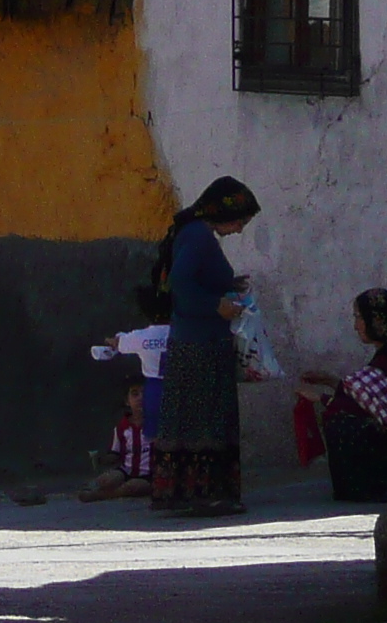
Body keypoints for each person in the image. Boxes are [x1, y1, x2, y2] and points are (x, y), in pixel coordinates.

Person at [150, 176, 258, 515]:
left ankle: (188, 493)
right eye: (240, 220)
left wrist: (228, 284)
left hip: (194, 341)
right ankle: (206, 493)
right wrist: (216, 305)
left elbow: (193, 278)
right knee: (207, 418)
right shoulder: (198, 236)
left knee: (194, 418)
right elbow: (181, 283)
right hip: (201, 345)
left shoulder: (195, 234)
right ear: (224, 212)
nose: (240, 229)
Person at [295, 286, 387, 502]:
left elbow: (362, 407)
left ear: (378, 321)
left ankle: (366, 484)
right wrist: (329, 381)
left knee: (339, 420)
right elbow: (369, 396)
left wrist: (321, 398)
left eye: (359, 317)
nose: (356, 326)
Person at [89, 287, 172, 446]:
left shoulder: (141, 337)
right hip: (180, 385)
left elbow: (119, 343)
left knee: (155, 437)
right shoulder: (178, 333)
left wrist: (113, 341)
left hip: (155, 388)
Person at [79, 384, 154, 502]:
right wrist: (100, 459)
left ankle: (99, 496)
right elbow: (115, 453)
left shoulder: (155, 425)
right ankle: (91, 488)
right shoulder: (122, 427)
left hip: (149, 474)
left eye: (145, 394)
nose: (140, 398)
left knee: (134, 486)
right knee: (108, 479)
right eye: (135, 394)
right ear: (127, 401)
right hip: (126, 470)